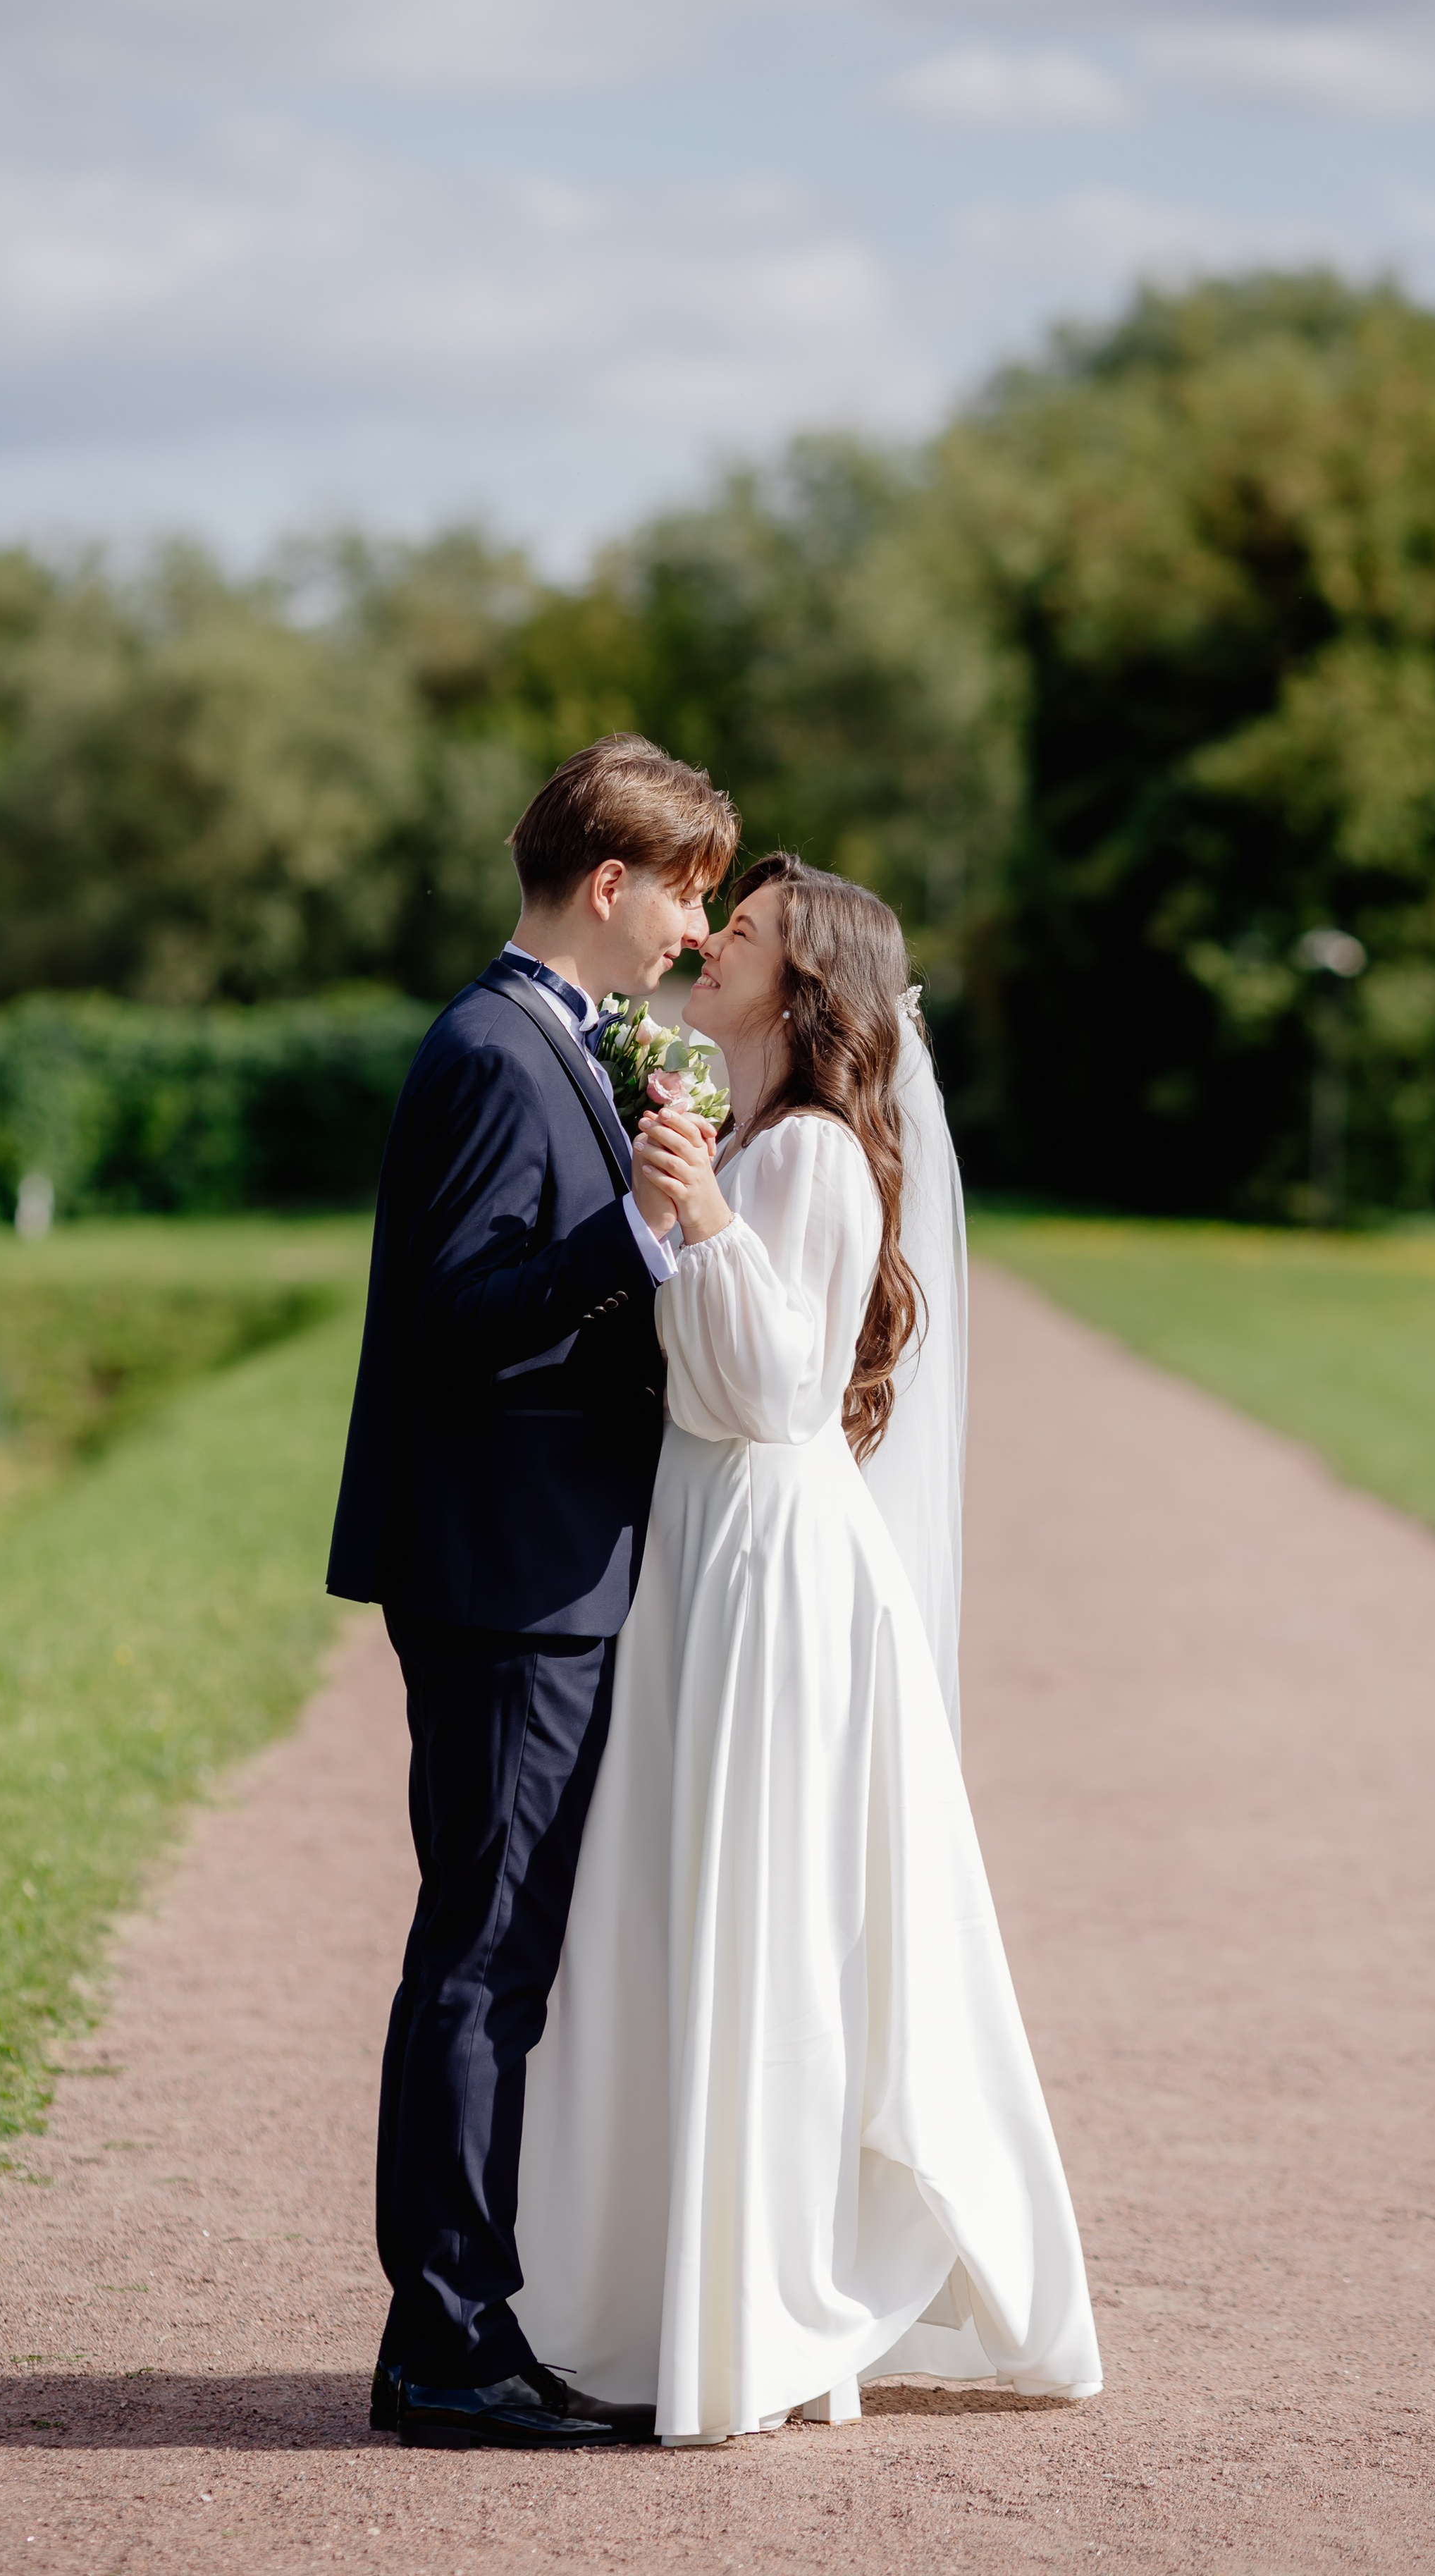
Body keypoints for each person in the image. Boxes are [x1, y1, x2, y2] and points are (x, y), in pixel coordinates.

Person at [510, 853, 1103, 2441]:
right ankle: (675, 2292)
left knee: (754, 1911)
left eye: (747, 933)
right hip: (710, 1546)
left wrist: (694, 1216)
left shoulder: (815, 1160)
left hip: (769, 1556)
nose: (711, 944)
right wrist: (697, 1198)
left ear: (801, 984)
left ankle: (757, 2309)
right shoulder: (757, 1139)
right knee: (685, 1907)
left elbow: (773, 1389)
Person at [326, 733, 739, 2451]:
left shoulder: (547, 1037)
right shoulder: (499, 1051)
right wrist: (634, 1246)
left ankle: (461, 2322)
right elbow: (457, 1315)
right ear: (609, 884)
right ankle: (443, 2345)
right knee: (484, 1962)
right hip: (507, 1576)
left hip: (537, 1567)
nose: (696, 937)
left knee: (498, 1955)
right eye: (688, 896)